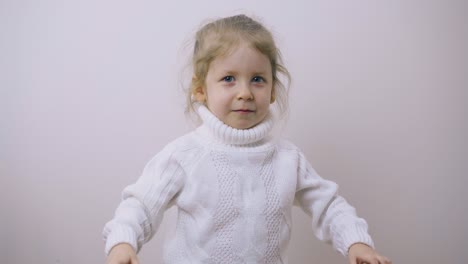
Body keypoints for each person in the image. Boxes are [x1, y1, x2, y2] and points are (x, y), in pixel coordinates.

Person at [103, 14, 392, 264]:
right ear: (201, 89)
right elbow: (140, 205)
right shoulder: (185, 155)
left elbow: (328, 205)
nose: (245, 92)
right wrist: (122, 242)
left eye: (257, 79)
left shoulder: (287, 159)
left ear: (273, 90)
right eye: (229, 78)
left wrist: (356, 242)